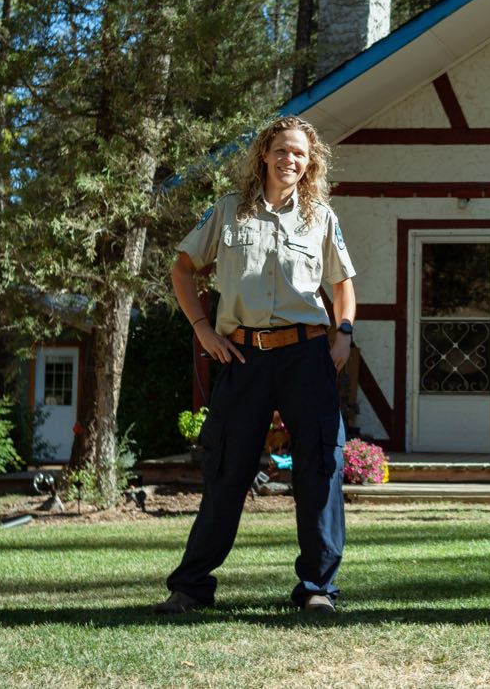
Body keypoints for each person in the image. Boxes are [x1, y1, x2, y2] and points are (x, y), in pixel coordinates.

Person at [154, 116, 358, 615]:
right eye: (283, 150)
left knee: (319, 467)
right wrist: (202, 328)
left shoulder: (321, 217)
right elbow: (182, 268)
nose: (291, 160)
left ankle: (317, 589)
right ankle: (192, 587)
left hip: (306, 354)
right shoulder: (228, 212)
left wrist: (344, 334)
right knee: (226, 468)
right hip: (242, 355)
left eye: (301, 155)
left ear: (310, 165)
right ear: (265, 153)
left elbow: (342, 285)